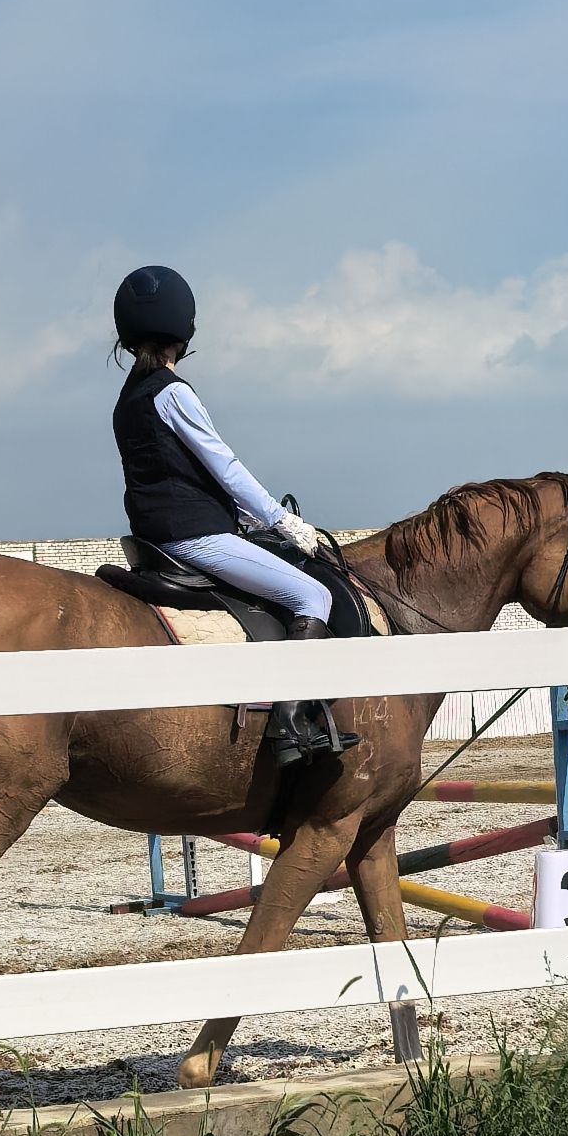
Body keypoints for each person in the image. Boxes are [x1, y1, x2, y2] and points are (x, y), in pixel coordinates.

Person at [111, 264, 353, 765]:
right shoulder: (173, 392)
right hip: (195, 536)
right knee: (312, 594)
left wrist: (247, 520)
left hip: (154, 535)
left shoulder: (127, 399)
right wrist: (282, 521)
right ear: (184, 328)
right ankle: (289, 728)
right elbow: (225, 468)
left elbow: (180, 473)